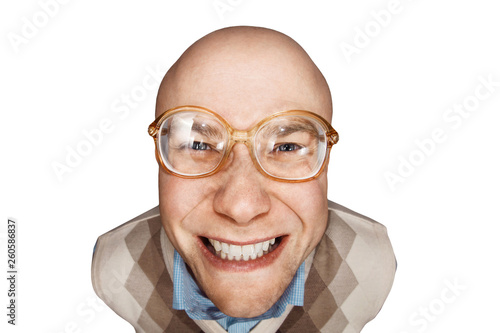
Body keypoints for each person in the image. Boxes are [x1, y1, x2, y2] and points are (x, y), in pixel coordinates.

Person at [92, 26, 396, 333]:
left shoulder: (370, 262)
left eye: (287, 146)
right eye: (199, 145)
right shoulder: (117, 266)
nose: (241, 207)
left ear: (326, 160)